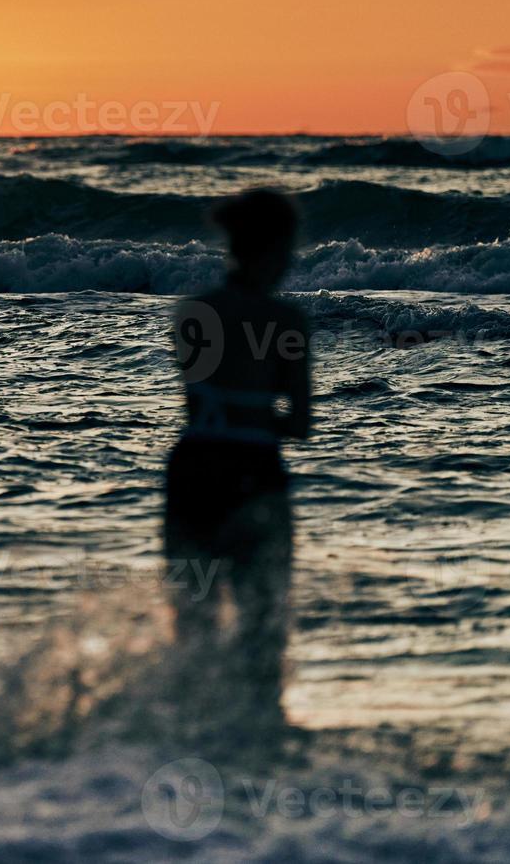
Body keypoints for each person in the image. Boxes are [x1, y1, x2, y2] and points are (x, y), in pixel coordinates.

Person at [164, 189, 311, 724]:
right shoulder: (286, 320)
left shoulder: (194, 310)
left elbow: (200, 400)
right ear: (274, 248)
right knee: (261, 623)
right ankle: (256, 738)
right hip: (253, 473)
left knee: (193, 618)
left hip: (193, 470)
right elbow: (299, 422)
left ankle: (189, 727)